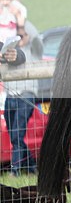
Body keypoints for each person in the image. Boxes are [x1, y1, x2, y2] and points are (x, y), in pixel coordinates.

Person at [2, 18, 41, 175]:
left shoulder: (34, 50)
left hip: (26, 96)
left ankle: (15, 170)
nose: (20, 38)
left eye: (23, 35)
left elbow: (36, 37)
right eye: (17, 35)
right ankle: (31, 167)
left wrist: (21, 17)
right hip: (10, 96)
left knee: (18, 133)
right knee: (14, 135)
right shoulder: (11, 51)